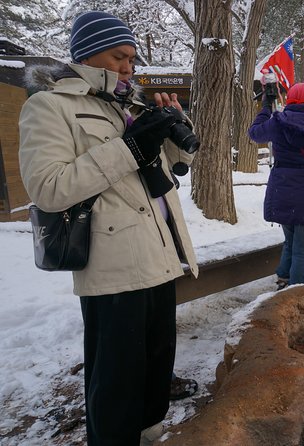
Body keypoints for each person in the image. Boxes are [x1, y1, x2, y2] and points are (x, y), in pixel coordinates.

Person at [18, 12, 199, 446]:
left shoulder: (130, 105)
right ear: (86, 54)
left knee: (157, 363)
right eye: (119, 56)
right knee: (116, 377)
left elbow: (176, 167)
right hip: (112, 263)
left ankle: (150, 432)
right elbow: (48, 188)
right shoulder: (49, 106)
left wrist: (177, 128)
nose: (128, 67)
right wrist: (131, 147)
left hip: (159, 252)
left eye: (133, 59)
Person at [248, 82, 304, 288]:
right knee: (302, 249)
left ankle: (283, 279)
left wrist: (264, 108)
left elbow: (254, 133)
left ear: (290, 99)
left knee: (290, 240)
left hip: (282, 189)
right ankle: (296, 293)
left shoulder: (277, 122)